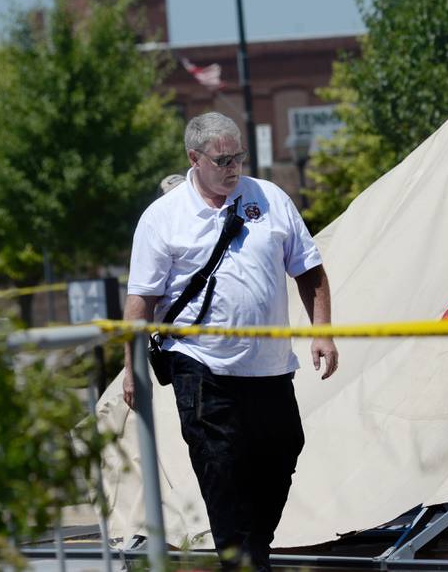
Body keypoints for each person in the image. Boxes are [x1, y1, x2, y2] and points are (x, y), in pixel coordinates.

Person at [123, 111, 338, 571]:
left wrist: (323, 331)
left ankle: (250, 553)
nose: (233, 166)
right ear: (194, 158)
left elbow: (310, 270)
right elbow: (140, 302)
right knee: (222, 469)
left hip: (270, 366)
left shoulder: (270, 198)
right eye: (222, 159)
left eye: (238, 155)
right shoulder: (163, 218)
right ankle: (244, 562)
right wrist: (131, 368)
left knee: (285, 448)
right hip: (200, 366)